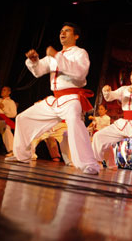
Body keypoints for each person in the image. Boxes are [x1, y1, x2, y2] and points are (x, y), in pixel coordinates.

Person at [7, 23, 100, 175]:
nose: (62, 33)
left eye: (67, 31)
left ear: (76, 36)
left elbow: (80, 73)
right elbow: (38, 72)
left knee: (75, 124)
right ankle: (22, 155)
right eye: (61, 30)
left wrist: (56, 55)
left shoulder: (80, 53)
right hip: (55, 100)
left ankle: (88, 164)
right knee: (23, 118)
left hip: (71, 98)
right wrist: (34, 61)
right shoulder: (54, 56)